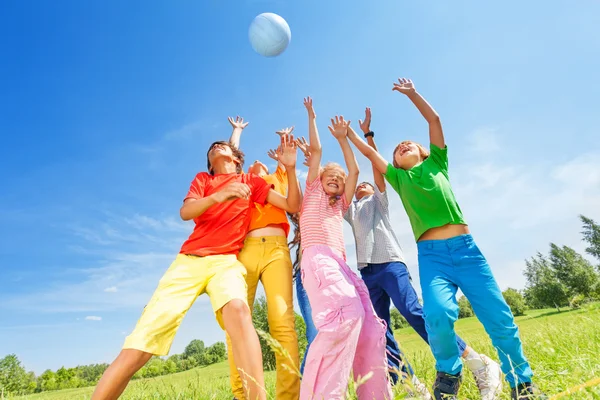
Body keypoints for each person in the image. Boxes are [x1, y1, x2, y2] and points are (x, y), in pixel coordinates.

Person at [346, 77, 547, 400]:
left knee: (499, 318)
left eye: (408, 143)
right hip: (432, 256)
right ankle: (449, 376)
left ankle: (521, 382)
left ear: (425, 152)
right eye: (397, 149)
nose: (402, 146)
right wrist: (353, 134)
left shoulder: (438, 163)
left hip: (466, 252)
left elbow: (434, 120)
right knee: (437, 315)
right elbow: (370, 153)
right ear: (395, 164)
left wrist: (413, 94)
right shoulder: (398, 178)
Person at [90, 135, 302, 400]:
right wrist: (220, 195)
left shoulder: (250, 181)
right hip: (189, 261)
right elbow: (186, 212)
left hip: (226, 261)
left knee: (238, 310)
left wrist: (291, 169)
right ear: (210, 165)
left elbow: (292, 205)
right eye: (211, 148)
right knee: (141, 344)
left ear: (236, 160)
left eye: (222, 145)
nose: (215, 146)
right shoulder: (204, 179)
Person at [298, 97, 392, 400]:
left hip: (340, 265)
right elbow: (316, 152)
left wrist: (344, 140)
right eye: (331, 176)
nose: (337, 179)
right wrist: (312, 116)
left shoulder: (341, 205)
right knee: (344, 317)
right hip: (317, 259)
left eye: (339, 179)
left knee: (367, 327)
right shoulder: (312, 191)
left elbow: (353, 170)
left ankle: (374, 395)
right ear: (319, 179)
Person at [225, 116, 300, 400]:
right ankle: (242, 395)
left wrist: (284, 137)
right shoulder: (241, 183)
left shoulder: (276, 179)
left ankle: (288, 396)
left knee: (282, 322)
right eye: (251, 162)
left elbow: (287, 160)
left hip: (276, 250)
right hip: (244, 251)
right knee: (236, 324)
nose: (258, 162)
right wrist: (237, 131)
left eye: (264, 163)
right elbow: (229, 158)